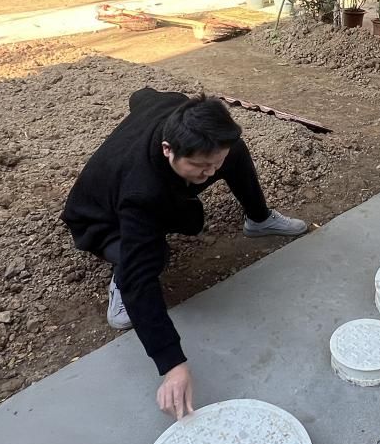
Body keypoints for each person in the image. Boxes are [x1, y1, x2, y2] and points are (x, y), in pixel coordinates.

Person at [61, 89, 308, 419]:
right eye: (200, 166)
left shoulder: (181, 113)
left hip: (150, 182)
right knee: (151, 257)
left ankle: (259, 219)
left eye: (214, 165)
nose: (211, 173)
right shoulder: (142, 194)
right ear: (168, 148)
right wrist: (172, 365)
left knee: (233, 153)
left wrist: (211, 163)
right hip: (99, 220)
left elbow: (142, 96)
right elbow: (142, 281)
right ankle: (120, 282)